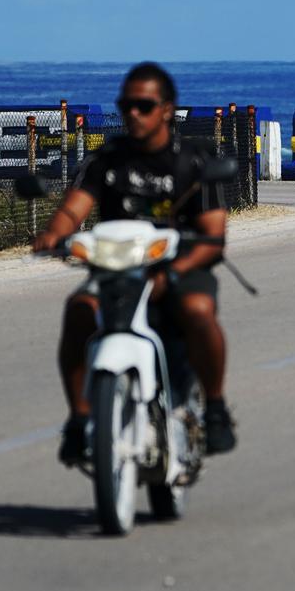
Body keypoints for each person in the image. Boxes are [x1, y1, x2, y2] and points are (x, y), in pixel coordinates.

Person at [33, 62, 236, 463]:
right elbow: (73, 210)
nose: (133, 114)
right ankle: (79, 418)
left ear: (166, 109)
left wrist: (173, 272)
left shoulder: (194, 161)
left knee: (197, 309)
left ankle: (215, 409)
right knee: (79, 311)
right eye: (127, 105)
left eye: (144, 105)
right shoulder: (106, 159)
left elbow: (213, 236)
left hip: (180, 266)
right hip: (116, 270)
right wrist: (54, 234)